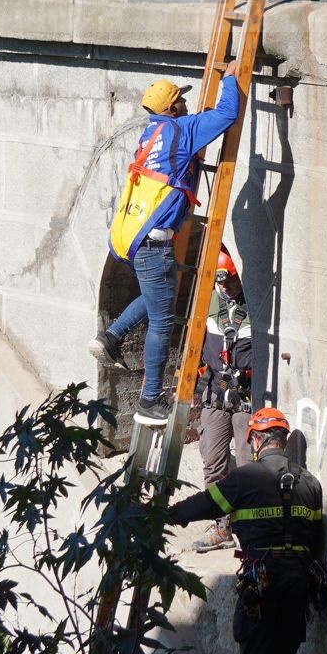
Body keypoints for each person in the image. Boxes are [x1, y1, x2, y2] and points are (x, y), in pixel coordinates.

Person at [91, 72, 243, 424]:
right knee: (162, 319)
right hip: (153, 242)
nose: (187, 102)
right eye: (182, 99)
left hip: (129, 238)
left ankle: (112, 336)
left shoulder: (152, 134)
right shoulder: (183, 130)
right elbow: (227, 113)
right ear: (173, 107)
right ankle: (149, 399)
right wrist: (231, 77)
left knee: (155, 295)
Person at [167, 408, 327, 654]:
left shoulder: (245, 477)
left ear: (256, 439)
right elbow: (316, 538)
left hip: (261, 578)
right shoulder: (311, 482)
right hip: (297, 580)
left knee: (255, 653)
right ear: (282, 440)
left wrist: (169, 515)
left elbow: (205, 504)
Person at [189, 247, 255, 553]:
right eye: (221, 281)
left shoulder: (257, 303)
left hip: (245, 397)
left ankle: (251, 529)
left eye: (230, 280)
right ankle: (222, 525)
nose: (226, 286)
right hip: (215, 395)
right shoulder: (209, 302)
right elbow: (195, 345)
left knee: (246, 464)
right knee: (213, 463)